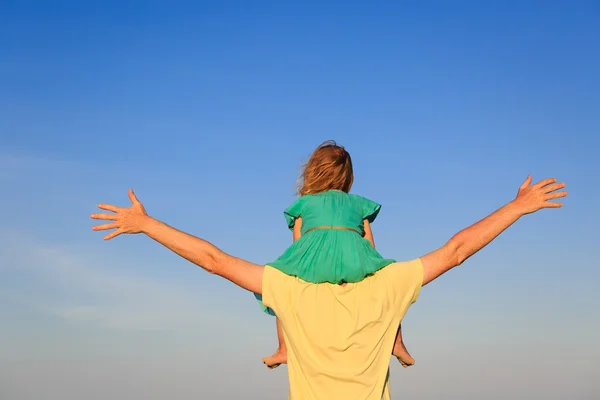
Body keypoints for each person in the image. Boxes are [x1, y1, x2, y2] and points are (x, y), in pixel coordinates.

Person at [91, 173, 566, 400]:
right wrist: (517, 207)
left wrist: (147, 225)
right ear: (362, 237)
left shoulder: (290, 290)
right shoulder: (388, 284)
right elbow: (457, 249)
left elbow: (214, 260)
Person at [255, 140, 414, 369]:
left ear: (313, 172)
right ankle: (396, 342)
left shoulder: (305, 203)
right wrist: (372, 267)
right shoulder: (358, 203)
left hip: (313, 262)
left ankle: (284, 349)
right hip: (355, 259)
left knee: (278, 284)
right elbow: (369, 243)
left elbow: (298, 244)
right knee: (391, 287)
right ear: (347, 177)